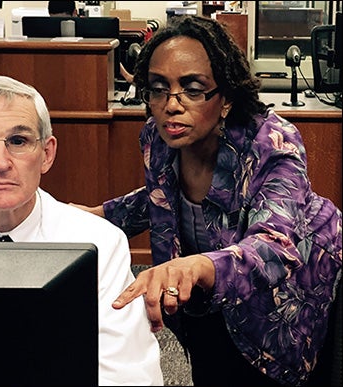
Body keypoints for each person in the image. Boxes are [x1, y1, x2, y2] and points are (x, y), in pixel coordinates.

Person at [70, 15, 342, 387]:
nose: (171, 105)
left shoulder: (271, 142)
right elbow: (161, 196)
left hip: (286, 297)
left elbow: (274, 247)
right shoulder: (157, 136)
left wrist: (193, 267)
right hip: (203, 293)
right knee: (211, 364)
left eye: (193, 89)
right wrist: (96, 217)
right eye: (158, 88)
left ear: (226, 97)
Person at [0, 75, 164, 386]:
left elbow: (127, 373)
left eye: (18, 141)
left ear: (47, 153)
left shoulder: (100, 244)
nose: (1, 162)